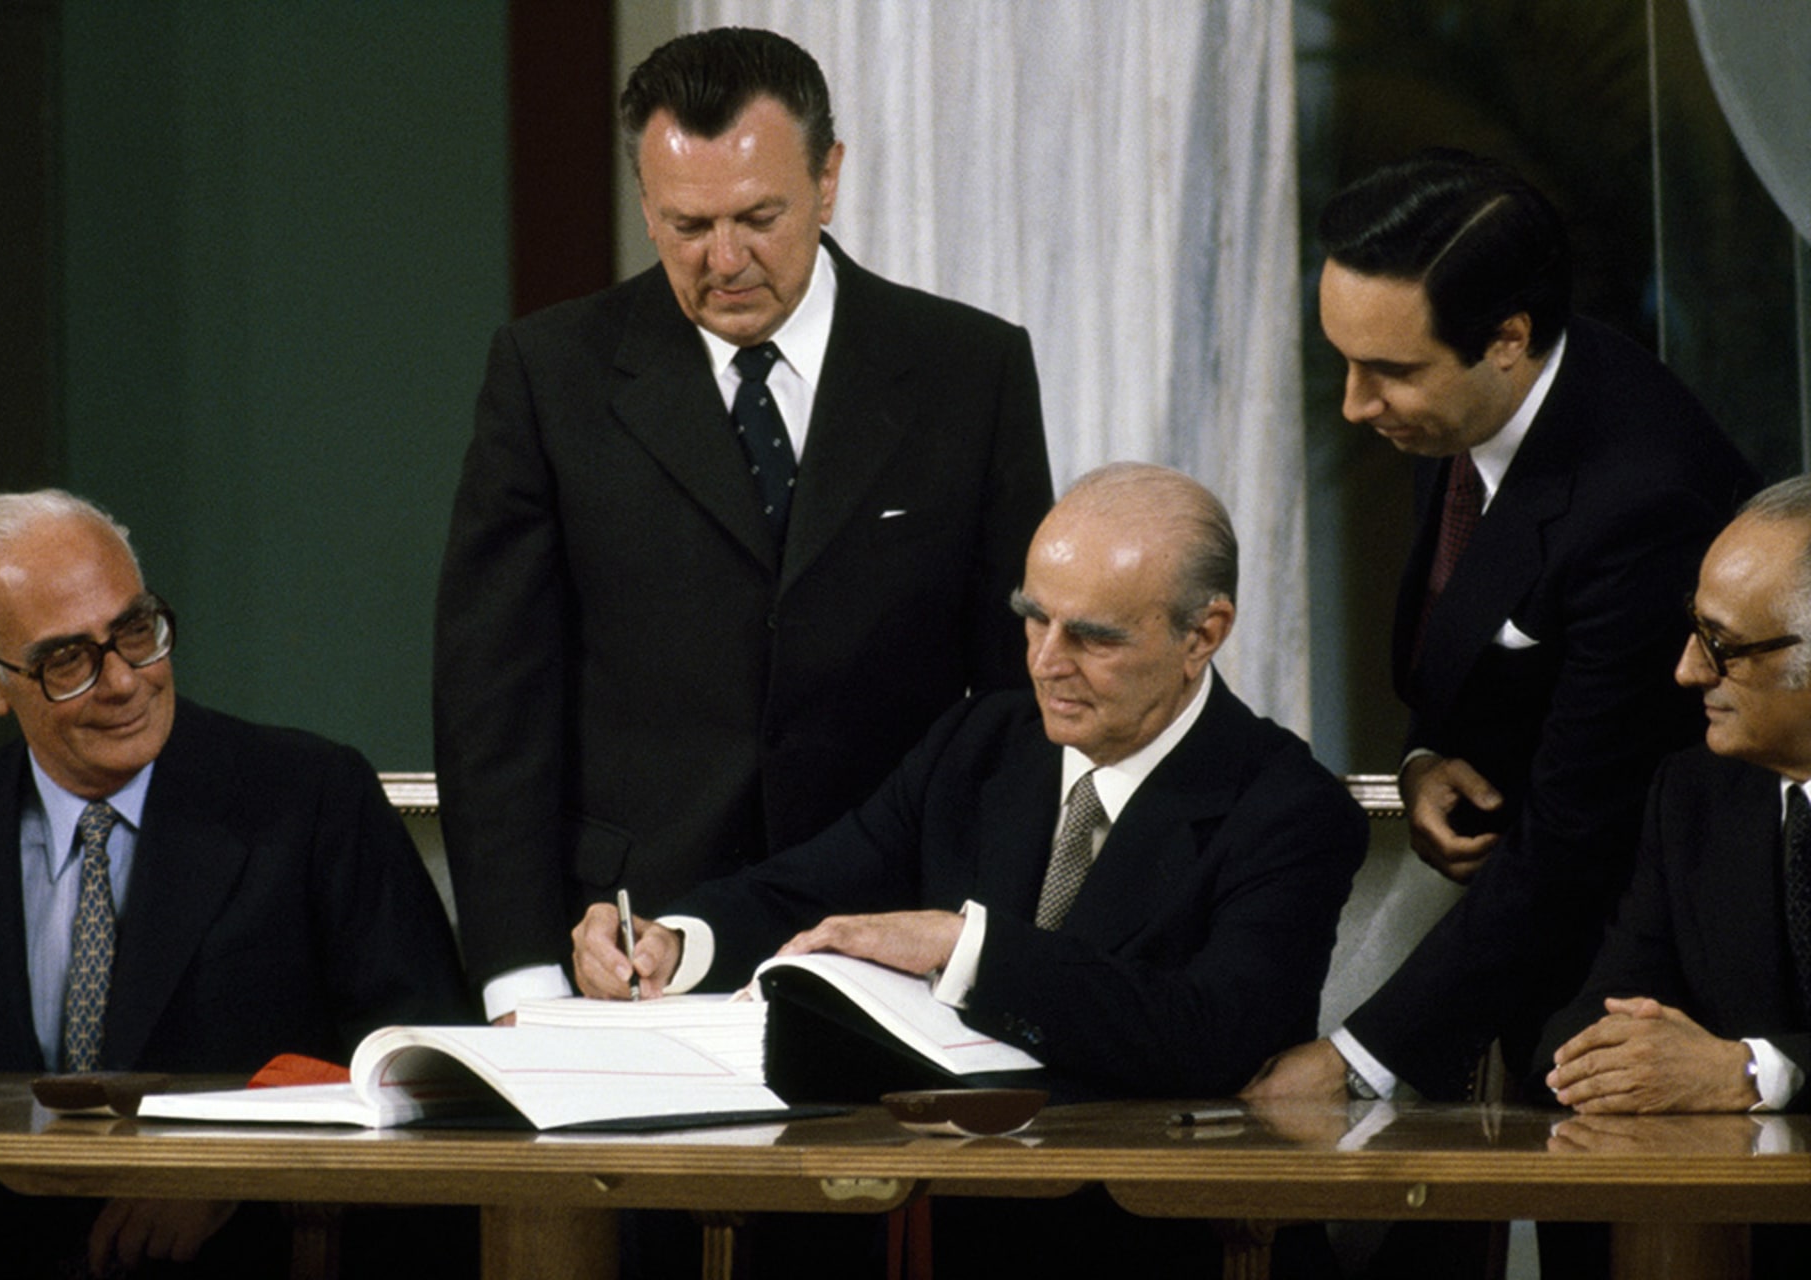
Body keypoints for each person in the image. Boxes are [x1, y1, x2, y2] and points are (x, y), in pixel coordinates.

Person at [573, 464, 1365, 1276]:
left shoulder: (1286, 807)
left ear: (1203, 633)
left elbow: (1208, 1037)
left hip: (1161, 1243)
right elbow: (814, 886)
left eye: (1092, 636)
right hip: (943, 1226)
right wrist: (675, 939)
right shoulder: (980, 742)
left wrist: (964, 948)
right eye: (1033, 619)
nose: (1046, 662)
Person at [433, 27, 1054, 1024]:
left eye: (759, 216)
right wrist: (520, 975)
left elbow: (1018, 689)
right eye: (685, 225)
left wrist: (979, 930)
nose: (724, 261)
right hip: (629, 946)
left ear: (829, 178)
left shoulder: (967, 370)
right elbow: (493, 700)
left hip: (894, 936)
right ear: (644, 200)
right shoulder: (550, 375)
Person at [1243, 149, 1756, 1109]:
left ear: (1509, 337)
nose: (1354, 405)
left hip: (1647, 981)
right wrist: (1427, 752)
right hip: (1535, 933)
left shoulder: (1641, 500)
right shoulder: (1456, 403)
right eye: (1343, 361)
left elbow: (1578, 837)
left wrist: (1356, 1060)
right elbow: (1466, 636)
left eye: (1388, 372)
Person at [0, 490, 473, 1278]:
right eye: (67, 660)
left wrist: (234, 1166)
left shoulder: (310, 798)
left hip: (254, 1255)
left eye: (136, 630)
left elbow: (425, 1062)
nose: (125, 681)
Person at [1536, 480, 1811, 1278]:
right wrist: (1616, 1058)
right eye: (1694, 631)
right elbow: (1593, 1014)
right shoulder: (1695, 795)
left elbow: (1731, 1069)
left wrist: (1753, 1071)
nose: (1688, 671)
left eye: (1721, 643)